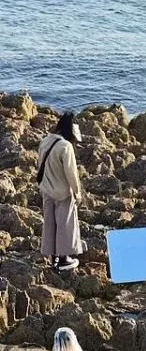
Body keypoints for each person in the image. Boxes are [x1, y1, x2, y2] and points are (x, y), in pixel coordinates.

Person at [37, 111, 84, 271]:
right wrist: (77, 193)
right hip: (63, 192)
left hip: (47, 189)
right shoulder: (65, 147)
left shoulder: (45, 141)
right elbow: (71, 173)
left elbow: (40, 165)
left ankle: (52, 257)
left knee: (50, 223)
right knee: (65, 224)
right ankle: (64, 259)